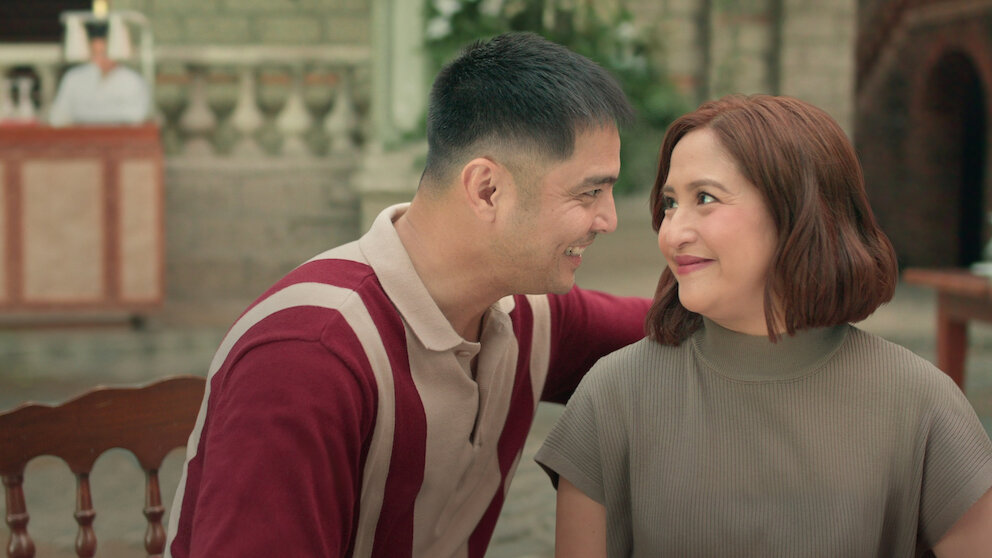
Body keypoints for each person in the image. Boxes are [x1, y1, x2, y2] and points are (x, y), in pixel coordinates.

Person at [165, 32, 651, 557]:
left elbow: (678, 327)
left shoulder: (523, 314)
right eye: (588, 192)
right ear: (487, 190)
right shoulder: (309, 357)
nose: (608, 219)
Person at [535, 94, 992, 556]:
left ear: (799, 209)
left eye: (705, 198)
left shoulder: (921, 403)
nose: (672, 233)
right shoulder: (613, 395)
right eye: (670, 203)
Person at [48, 20, 150, 127]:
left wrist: (82, 115)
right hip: (81, 136)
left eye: (104, 52)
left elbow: (136, 115)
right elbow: (57, 116)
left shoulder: (133, 81)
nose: (101, 58)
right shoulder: (73, 77)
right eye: (96, 53)